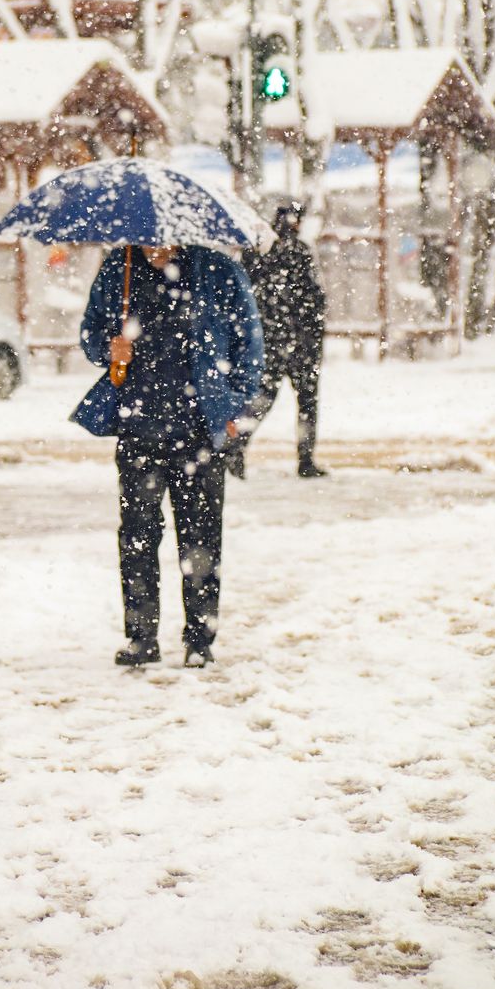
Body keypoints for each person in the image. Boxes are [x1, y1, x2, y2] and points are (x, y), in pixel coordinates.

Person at [72, 244, 263, 668]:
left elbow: (248, 344)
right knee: (137, 536)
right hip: (138, 425)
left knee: (201, 539)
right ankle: (141, 636)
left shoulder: (217, 271)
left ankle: (200, 638)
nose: (154, 245)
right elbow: (90, 335)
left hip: (199, 428)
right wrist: (110, 347)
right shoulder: (119, 269)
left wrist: (238, 409)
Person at [227, 200, 328, 480]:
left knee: (262, 398)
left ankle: (236, 449)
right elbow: (316, 298)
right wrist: (313, 333)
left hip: (269, 340)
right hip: (299, 340)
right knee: (305, 402)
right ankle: (305, 460)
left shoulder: (256, 252)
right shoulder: (300, 251)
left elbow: (244, 296)